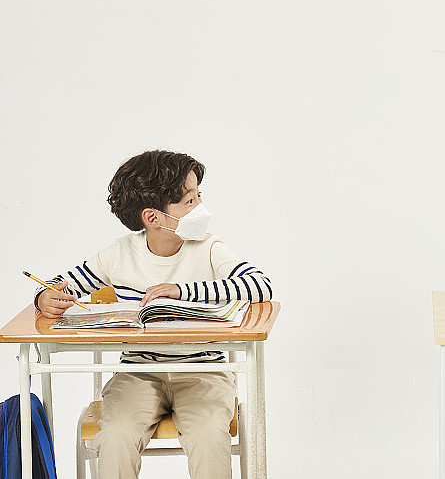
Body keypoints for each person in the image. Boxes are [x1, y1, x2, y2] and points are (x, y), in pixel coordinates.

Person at [33, 150, 272, 479]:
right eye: (190, 201)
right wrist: (44, 296)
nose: (200, 207)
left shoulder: (209, 247)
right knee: (116, 436)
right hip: (138, 373)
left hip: (204, 372)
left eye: (199, 195)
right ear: (153, 218)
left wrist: (181, 291)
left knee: (208, 435)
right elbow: (60, 285)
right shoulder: (118, 254)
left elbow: (260, 285)